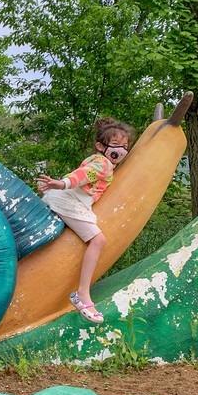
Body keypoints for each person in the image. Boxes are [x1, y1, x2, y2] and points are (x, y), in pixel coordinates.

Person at [36, 117, 135, 324]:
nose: (122, 151)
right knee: (98, 241)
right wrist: (61, 183)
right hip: (69, 200)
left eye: (125, 147)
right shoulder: (103, 163)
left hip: (67, 199)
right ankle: (82, 293)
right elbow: (83, 175)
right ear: (101, 146)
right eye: (116, 146)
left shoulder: (101, 161)